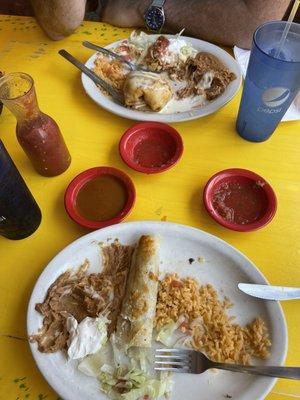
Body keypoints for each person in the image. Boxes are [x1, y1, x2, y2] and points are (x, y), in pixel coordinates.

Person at [3, 0, 299, 48]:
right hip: (101, 31)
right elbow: (61, 22)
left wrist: (146, 7)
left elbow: (255, 26)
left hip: (222, 51)